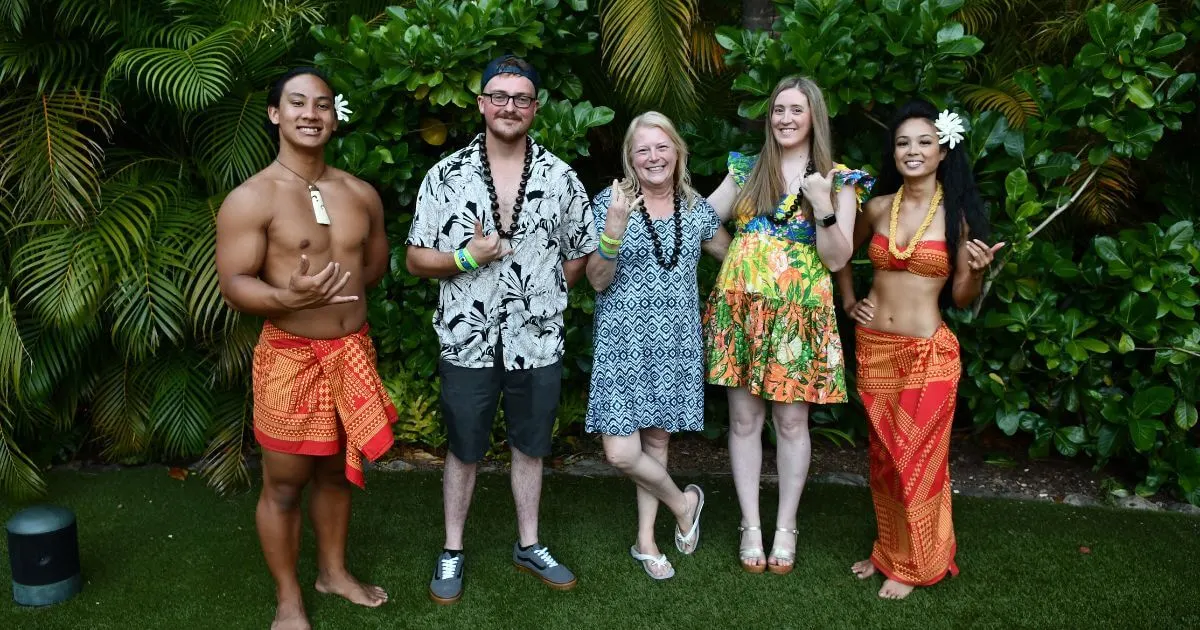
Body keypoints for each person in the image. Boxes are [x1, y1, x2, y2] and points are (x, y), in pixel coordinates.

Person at [405, 55, 596, 604]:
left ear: (535, 107)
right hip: (467, 335)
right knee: (464, 448)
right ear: (482, 103)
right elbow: (417, 258)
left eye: (521, 98)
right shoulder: (446, 176)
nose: (509, 106)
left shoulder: (561, 178)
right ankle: (453, 547)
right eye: (499, 96)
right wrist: (467, 258)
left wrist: (544, 290)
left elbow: (581, 250)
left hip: (536, 338)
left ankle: (529, 543)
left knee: (531, 445)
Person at [215, 67, 394, 630]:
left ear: (334, 117)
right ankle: (289, 597)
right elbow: (234, 283)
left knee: (338, 473)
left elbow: (374, 266)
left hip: (352, 353)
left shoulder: (360, 193)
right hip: (290, 357)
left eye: (321, 105)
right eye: (297, 103)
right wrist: (286, 295)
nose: (310, 114)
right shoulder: (252, 199)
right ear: (275, 114)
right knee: (286, 483)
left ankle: (333, 573)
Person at [702, 76, 874, 575]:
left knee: (792, 422)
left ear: (814, 116)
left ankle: (786, 526)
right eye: (778, 110)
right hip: (743, 311)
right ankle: (751, 525)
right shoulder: (747, 168)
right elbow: (700, 221)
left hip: (799, 312)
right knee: (743, 421)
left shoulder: (839, 179)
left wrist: (821, 204)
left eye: (796, 110)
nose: (785, 119)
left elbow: (839, 255)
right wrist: (732, 250)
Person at [835, 99, 1003, 599]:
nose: (912, 150)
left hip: (928, 354)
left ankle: (918, 565)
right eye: (903, 142)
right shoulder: (878, 206)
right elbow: (841, 253)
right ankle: (890, 552)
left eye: (924, 142)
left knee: (919, 462)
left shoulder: (959, 218)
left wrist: (973, 270)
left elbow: (960, 298)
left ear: (943, 152)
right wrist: (849, 301)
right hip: (875, 350)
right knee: (886, 460)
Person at [585, 112, 732, 579]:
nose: (654, 157)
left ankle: (645, 540)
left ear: (677, 152)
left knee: (656, 441)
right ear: (630, 158)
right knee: (621, 453)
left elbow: (732, 257)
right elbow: (595, 279)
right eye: (643, 149)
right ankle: (684, 503)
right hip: (622, 342)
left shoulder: (696, 209)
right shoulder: (612, 202)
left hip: (676, 343)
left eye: (662, 147)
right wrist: (612, 228)